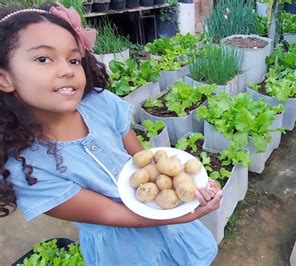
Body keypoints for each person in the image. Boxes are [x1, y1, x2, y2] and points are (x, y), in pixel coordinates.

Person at [0, 3, 222, 265]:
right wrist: (182, 215)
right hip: (123, 248)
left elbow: (144, 159)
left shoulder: (99, 103)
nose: (67, 70)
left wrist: (188, 187)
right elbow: (112, 216)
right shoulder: (29, 170)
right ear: (5, 78)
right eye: (43, 59)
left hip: (164, 214)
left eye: (73, 59)